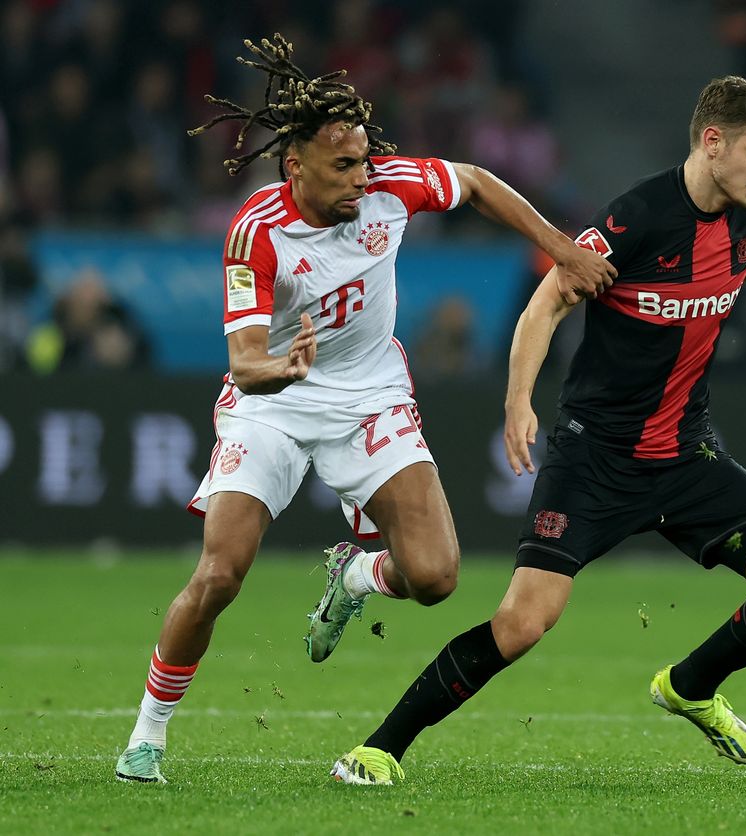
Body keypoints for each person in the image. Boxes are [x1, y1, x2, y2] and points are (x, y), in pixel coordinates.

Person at [113, 34, 615, 784]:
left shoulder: (391, 185)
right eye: (342, 165)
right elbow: (243, 360)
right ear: (296, 166)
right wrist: (278, 367)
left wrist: (559, 248)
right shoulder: (259, 230)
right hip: (272, 405)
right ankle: (147, 735)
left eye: (363, 160)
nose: (362, 177)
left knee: (437, 577)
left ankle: (355, 578)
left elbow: (475, 181)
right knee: (221, 573)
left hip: (371, 393)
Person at [330, 75, 746, 785]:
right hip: (596, 457)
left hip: (688, 455)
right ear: (712, 142)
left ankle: (690, 686)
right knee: (521, 625)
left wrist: (745, 269)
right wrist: (518, 401)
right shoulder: (636, 218)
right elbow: (546, 306)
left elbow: (726, 266)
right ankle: (380, 748)